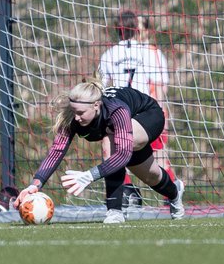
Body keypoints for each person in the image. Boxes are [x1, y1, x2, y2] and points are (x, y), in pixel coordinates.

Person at [16, 81, 184, 225]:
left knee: (110, 140)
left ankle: (114, 211)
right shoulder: (72, 117)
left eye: (80, 113)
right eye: (74, 111)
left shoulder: (116, 110)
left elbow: (123, 154)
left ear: (96, 105)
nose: (76, 117)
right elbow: (56, 151)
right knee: (151, 176)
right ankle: (175, 192)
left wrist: (89, 175)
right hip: (123, 133)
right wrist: (35, 184)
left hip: (148, 115)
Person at [98, 9, 174, 207]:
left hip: (120, 111)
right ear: (136, 29)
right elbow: (159, 85)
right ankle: (171, 196)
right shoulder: (150, 52)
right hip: (146, 111)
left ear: (117, 30)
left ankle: (128, 192)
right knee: (159, 157)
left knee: (113, 151)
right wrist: (161, 113)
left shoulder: (109, 54)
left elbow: (102, 87)